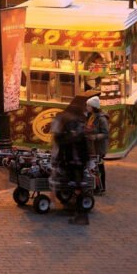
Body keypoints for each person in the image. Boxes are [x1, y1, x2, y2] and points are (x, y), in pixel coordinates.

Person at [52, 95, 93, 225]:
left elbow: (62, 140)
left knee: (77, 185)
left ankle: (81, 215)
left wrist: (62, 140)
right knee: (76, 184)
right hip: (79, 159)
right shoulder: (79, 120)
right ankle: (78, 212)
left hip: (73, 159)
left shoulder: (66, 119)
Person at [85, 96, 110, 194]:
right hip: (92, 147)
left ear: (93, 107)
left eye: (88, 105)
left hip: (98, 148)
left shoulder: (101, 119)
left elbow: (105, 133)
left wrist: (95, 137)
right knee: (93, 168)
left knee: (99, 168)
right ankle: (95, 186)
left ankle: (101, 188)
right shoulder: (91, 116)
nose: (87, 107)